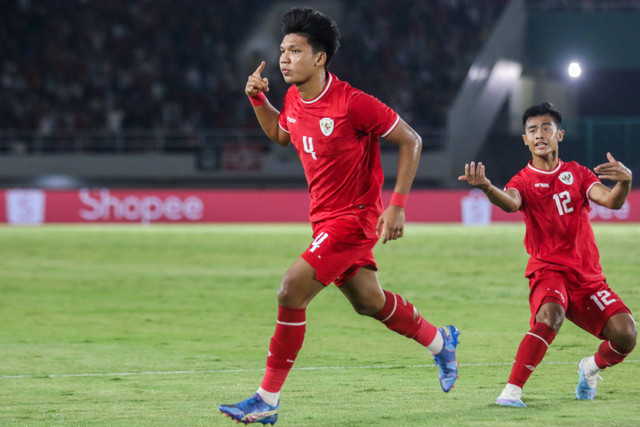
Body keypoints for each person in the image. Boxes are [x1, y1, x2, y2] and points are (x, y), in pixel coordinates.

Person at [219, 7, 460, 425]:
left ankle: (267, 399)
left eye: (295, 51)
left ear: (320, 58)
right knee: (369, 301)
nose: (284, 59)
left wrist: (398, 204)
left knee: (290, 290)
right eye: (283, 50)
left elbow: (411, 140)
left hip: (355, 218)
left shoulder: (353, 104)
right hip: (324, 219)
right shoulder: (294, 98)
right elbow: (281, 134)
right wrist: (258, 99)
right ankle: (440, 342)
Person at [459, 102, 637, 407]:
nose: (539, 134)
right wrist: (488, 188)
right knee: (549, 317)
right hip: (548, 270)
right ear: (525, 140)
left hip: (587, 277)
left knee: (626, 335)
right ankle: (511, 392)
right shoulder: (522, 180)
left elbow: (610, 201)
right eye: (532, 130)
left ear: (560, 134)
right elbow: (511, 202)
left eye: (545, 128)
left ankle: (590, 368)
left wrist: (625, 181)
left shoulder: (577, 173)